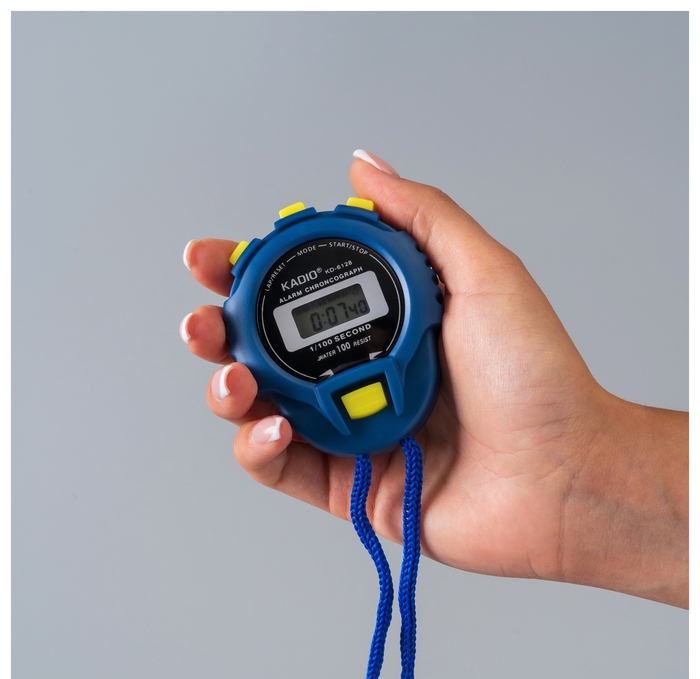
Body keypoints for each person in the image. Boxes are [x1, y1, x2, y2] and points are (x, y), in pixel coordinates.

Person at [180, 150, 688, 609]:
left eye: (347, 308)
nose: (337, 322)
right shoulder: (365, 253)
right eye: (321, 318)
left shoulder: (277, 282)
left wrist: (575, 472)